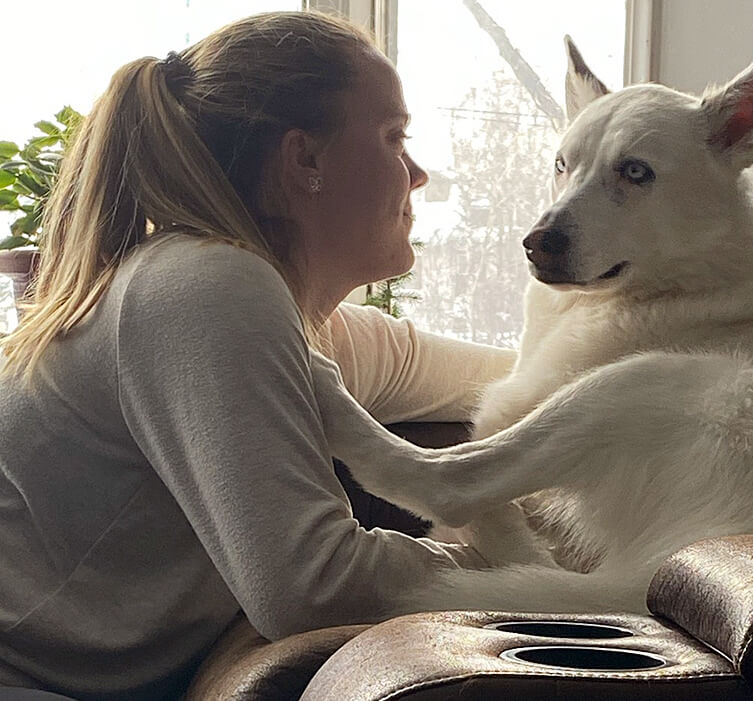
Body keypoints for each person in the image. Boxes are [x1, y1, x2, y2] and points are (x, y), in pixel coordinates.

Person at [0, 11, 516, 700]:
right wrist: (522, 569)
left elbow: (521, 381)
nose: (418, 173)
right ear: (305, 160)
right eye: (395, 137)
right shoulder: (203, 284)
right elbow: (309, 586)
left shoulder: (302, 325)